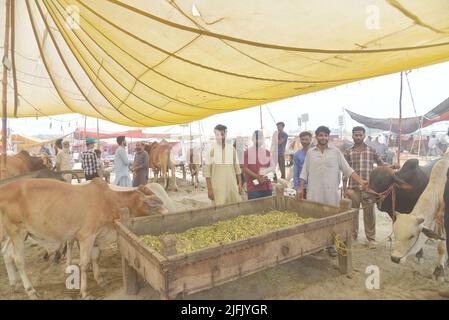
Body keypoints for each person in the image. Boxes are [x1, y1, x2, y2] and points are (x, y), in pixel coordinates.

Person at [297, 126, 368, 256]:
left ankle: (331, 246)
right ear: (316, 137)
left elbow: (348, 170)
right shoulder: (311, 153)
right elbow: (303, 173)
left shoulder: (335, 152)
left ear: (328, 137)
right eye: (320, 135)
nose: (323, 138)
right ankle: (316, 246)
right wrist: (300, 188)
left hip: (331, 194)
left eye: (325, 135)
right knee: (315, 220)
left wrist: (361, 181)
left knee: (332, 220)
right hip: (314, 193)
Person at [343, 126, 396, 248]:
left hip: (368, 189)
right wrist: (345, 190)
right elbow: (345, 172)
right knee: (352, 214)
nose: (358, 137)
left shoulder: (371, 150)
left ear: (364, 136)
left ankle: (371, 239)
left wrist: (393, 166)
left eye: (360, 135)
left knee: (369, 215)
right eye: (356, 135)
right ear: (352, 136)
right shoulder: (348, 152)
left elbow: (381, 164)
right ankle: (352, 235)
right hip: (353, 189)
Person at [204, 124, 242, 206]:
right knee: (219, 212)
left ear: (226, 134)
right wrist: (209, 190)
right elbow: (207, 173)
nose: (220, 137)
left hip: (232, 186)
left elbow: (237, 168)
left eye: (222, 134)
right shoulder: (211, 151)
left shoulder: (232, 149)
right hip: (218, 188)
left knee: (234, 209)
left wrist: (240, 184)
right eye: (217, 134)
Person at [243, 130, 274, 200]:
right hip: (253, 188)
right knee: (255, 209)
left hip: (266, 187)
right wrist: (257, 176)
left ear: (263, 140)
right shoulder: (247, 152)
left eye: (260, 138)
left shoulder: (267, 152)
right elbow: (244, 168)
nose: (258, 141)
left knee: (268, 209)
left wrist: (265, 178)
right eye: (256, 138)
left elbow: (272, 169)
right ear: (252, 139)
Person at [293, 131, 312, 200]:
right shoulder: (297, 155)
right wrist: (296, 187)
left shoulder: (316, 153)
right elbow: (296, 172)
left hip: (315, 186)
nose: (304, 141)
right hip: (302, 186)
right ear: (300, 140)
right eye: (302, 139)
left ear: (310, 139)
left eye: (306, 139)